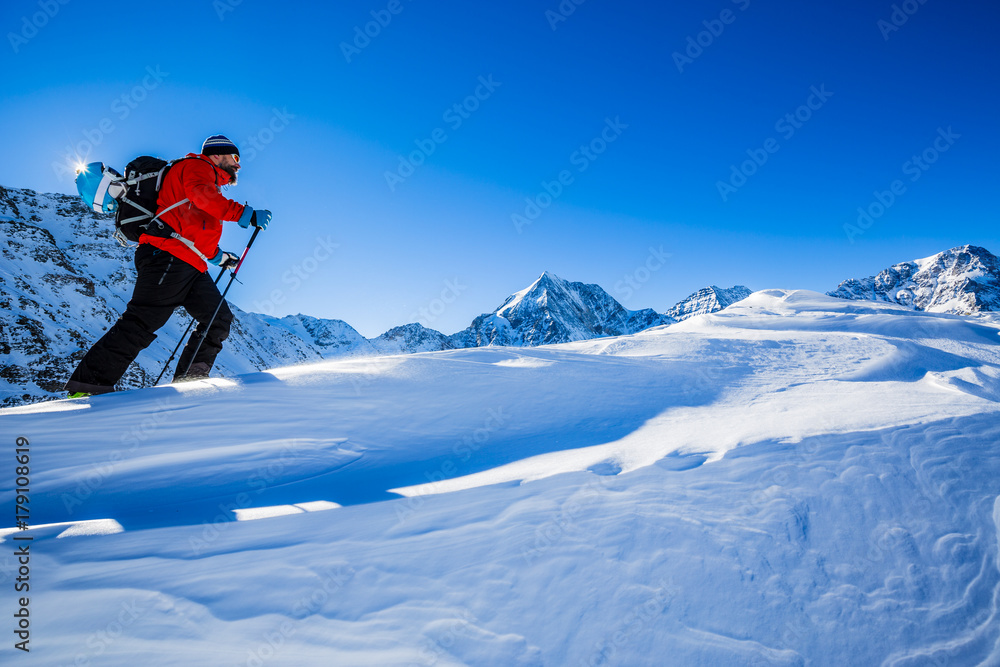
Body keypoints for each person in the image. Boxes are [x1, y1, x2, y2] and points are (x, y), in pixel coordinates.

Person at [64, 135, 272, 397]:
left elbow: (194, 230)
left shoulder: (205, 178)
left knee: (218, 320)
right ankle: (88, 385)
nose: (238, 165)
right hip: (167, 256)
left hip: (190, 263)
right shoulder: (197, 167)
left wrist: (220, 258)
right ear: (217, 154)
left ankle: (190, 380)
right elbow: (201, 197)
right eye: (235, 157)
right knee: (141, 321)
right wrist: (245, 214)